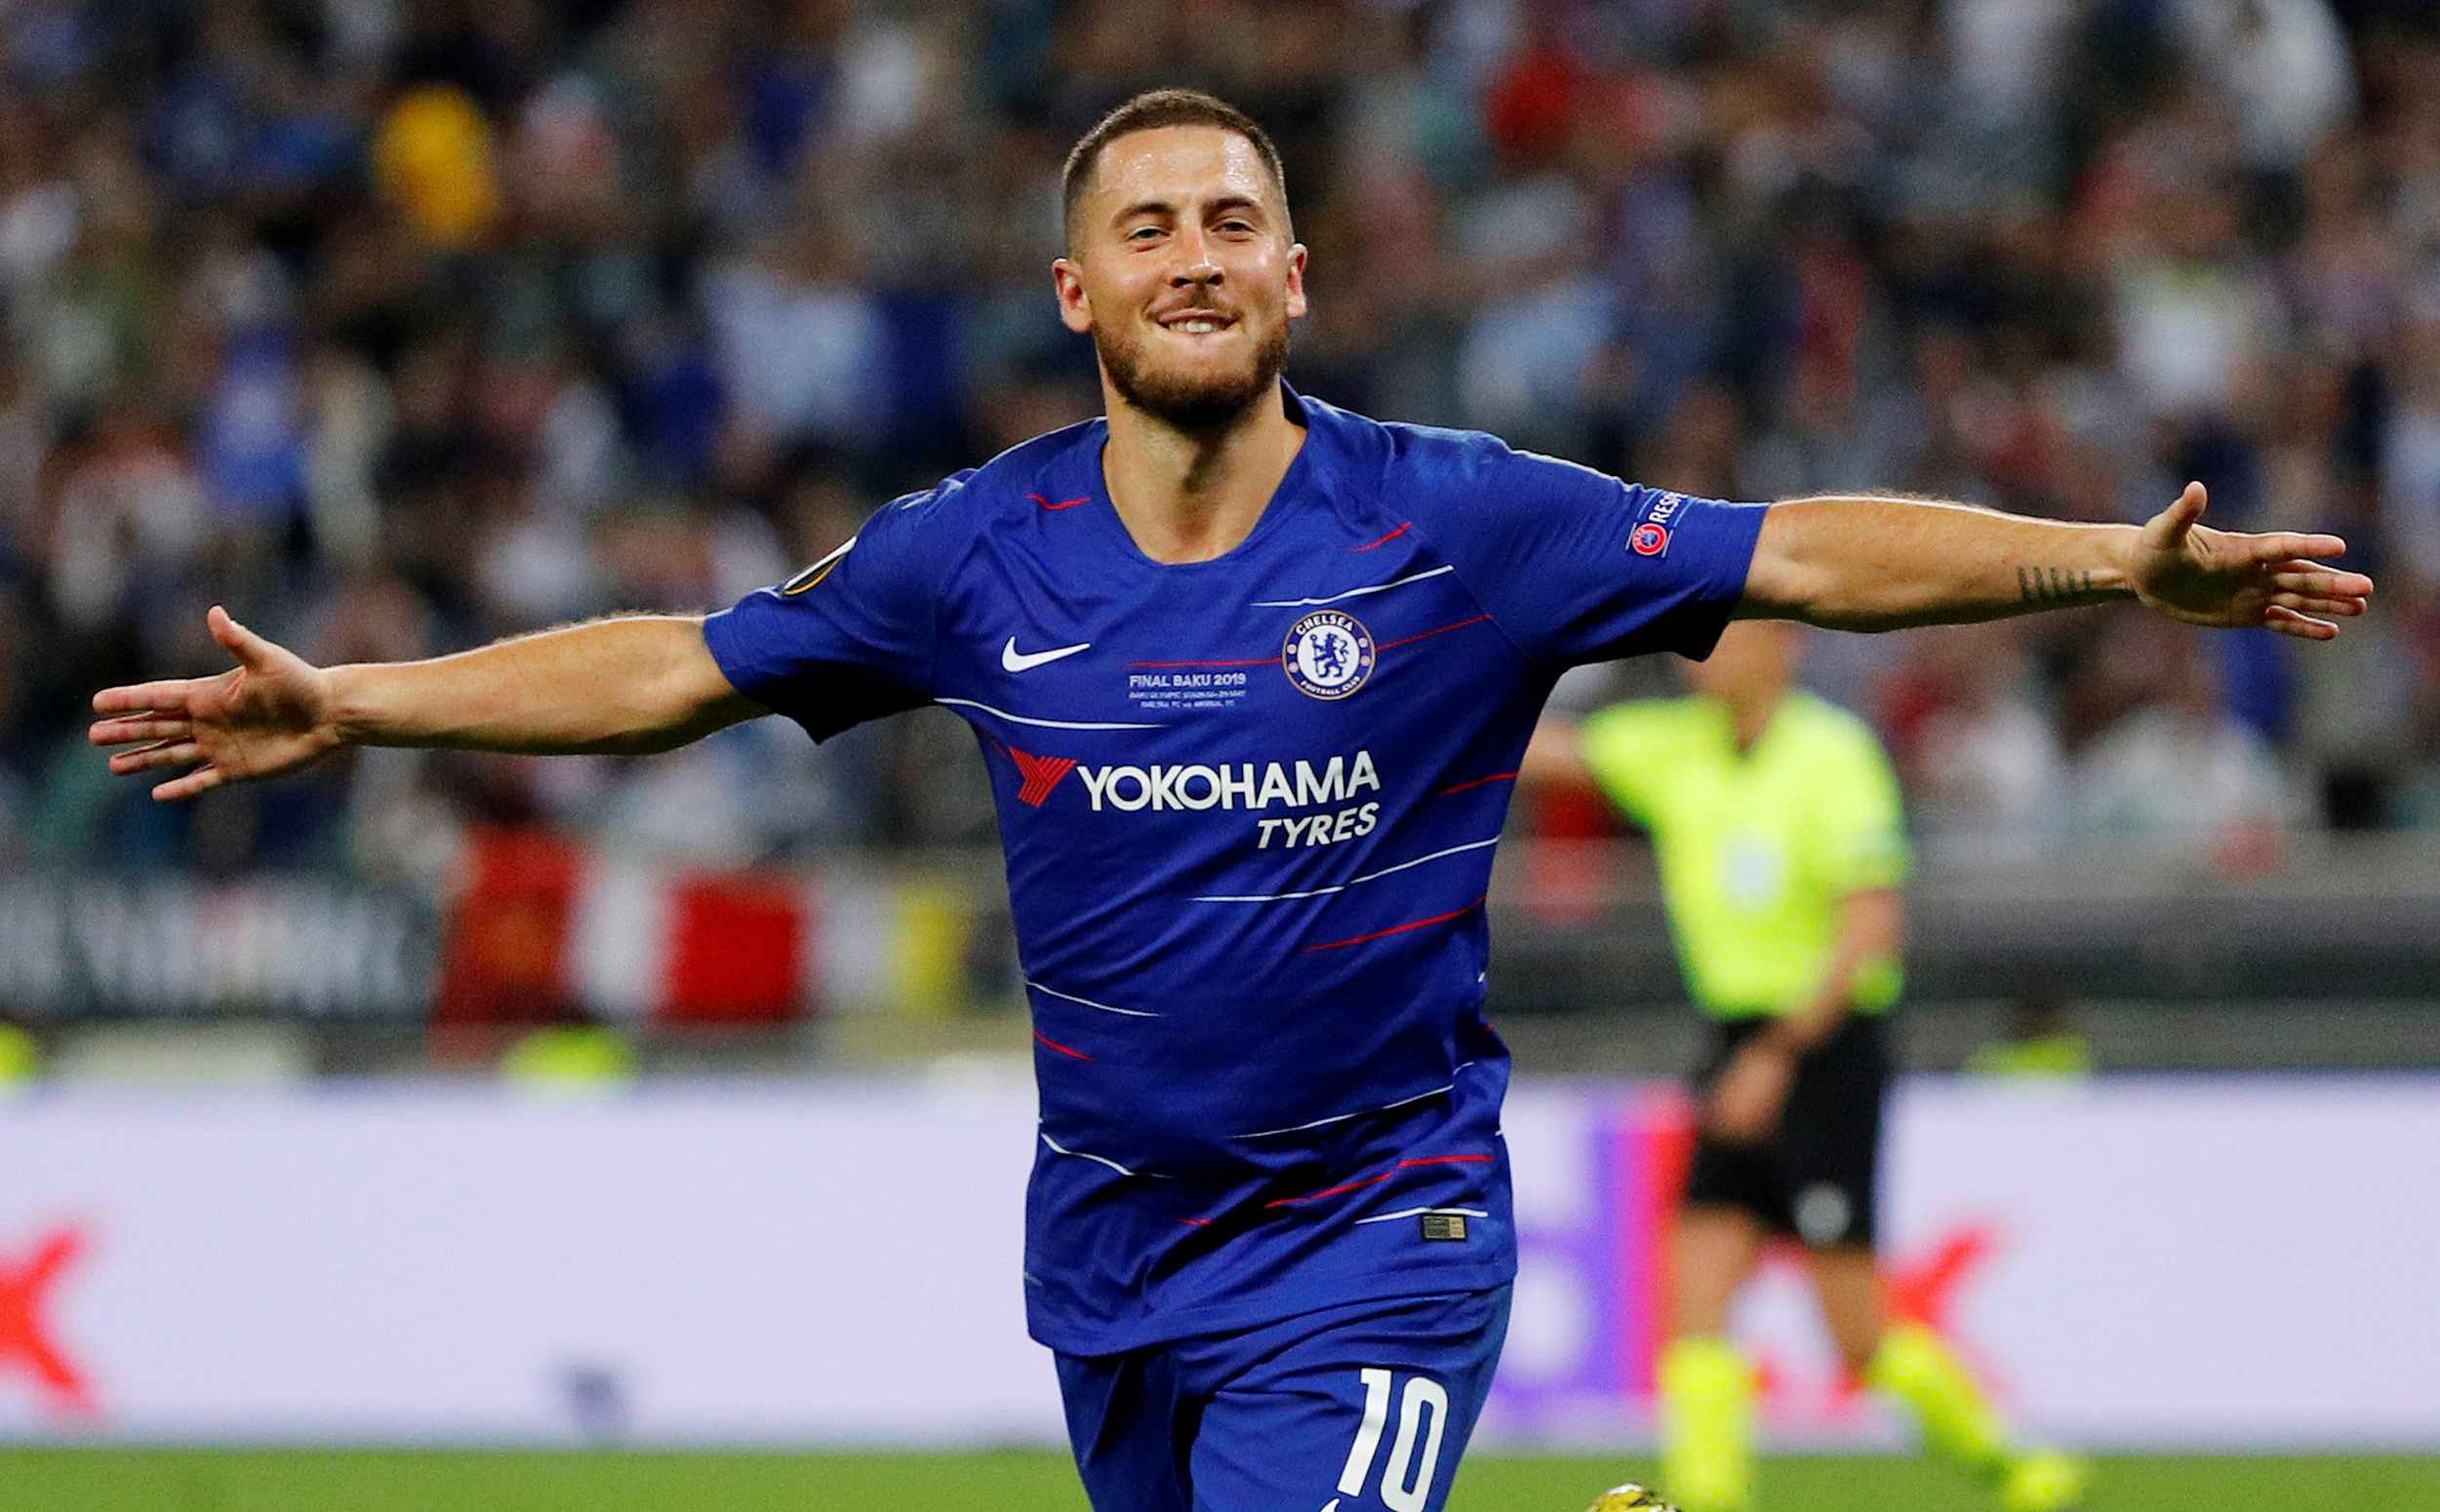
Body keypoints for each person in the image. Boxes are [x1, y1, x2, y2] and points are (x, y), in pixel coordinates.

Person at [88, 90, 2371, 1512]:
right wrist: (361, 703)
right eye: (1150, 225)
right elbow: (682, 666)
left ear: (1294, 270)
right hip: (1110, 1253)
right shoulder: (969, 551)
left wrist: (2108, 561)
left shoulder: (1456, 521)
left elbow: (1796, 551)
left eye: (1231, 218)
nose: (1193, 253)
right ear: (1076, 289)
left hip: (1371, 1235)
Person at [1526, 621, 2088, 1512]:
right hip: (1733, 1039)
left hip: (1823, 1048)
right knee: (1695, 1291)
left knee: (1854, 1329)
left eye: (1722, 637)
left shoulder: (1832, 754)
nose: (1700, 657)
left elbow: (1870, 927)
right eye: (1693, 641)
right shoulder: (1672, 748)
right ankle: (1707, 1502)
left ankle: (2017, 1471)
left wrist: (1777, 1056)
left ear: (1780, 645)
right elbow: (1541, 755)